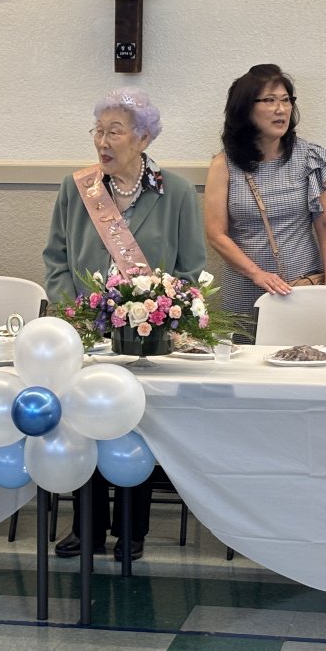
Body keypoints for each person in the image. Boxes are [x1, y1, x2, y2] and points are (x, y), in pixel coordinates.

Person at [43, 89, 205, 562]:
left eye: (114, 132)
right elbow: (56, 258)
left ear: (144, 138)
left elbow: (191, 266)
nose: (102, 141)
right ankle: (87, 526)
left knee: (136, 423)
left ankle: (132, 529)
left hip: (148, 331)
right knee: (86, 419)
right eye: (98, 131)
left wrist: (163, 312)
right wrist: (73, 312)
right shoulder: (77, 188)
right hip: (87, 329)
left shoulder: (176, 192)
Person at [204, 63, 326, 322]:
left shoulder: (310, 157)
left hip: (302, 285)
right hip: (245, 287)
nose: (281, 109)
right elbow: (216, 234)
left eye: (286, 100)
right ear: (245, 109)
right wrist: (257, 274)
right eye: (269, 100)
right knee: (246, 346)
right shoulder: (224, 164)